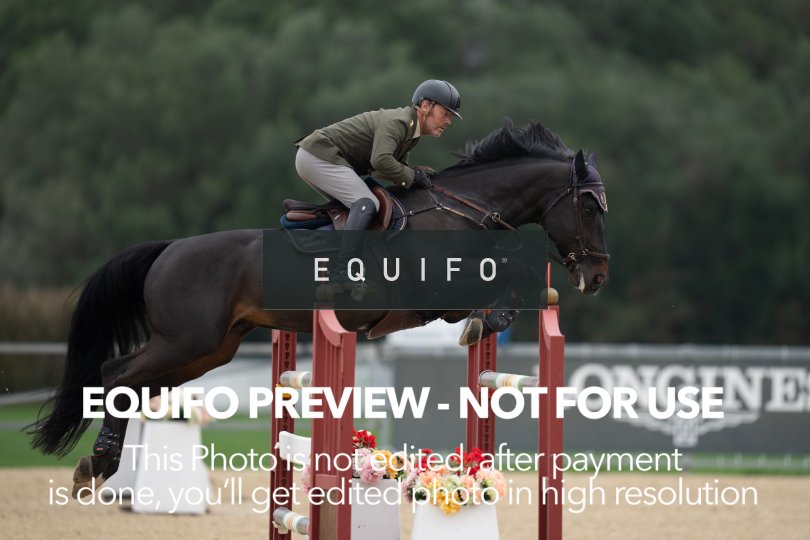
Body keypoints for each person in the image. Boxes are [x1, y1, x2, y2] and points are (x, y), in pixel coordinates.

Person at [294, 80, 462, 284]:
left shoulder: (411, 132)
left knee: (358, 211)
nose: (449, 121)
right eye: (445, 113)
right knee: (367, 203)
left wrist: (416, 175)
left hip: (319, 157)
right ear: (425, 105)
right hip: (318, 156)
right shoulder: (400, 122)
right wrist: (411, 176)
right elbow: (381, 161)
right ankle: (342, 271)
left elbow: (388, 169)